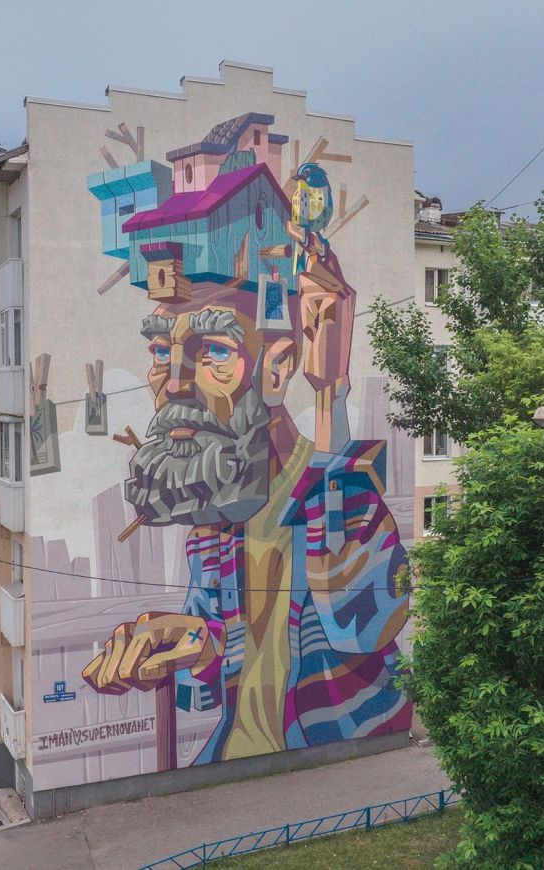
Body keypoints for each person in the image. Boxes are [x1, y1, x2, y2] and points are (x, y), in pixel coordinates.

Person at [82, 120, 411, 767]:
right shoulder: (214, 517)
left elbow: (365, 626)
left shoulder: (343, 496)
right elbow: (203, 689)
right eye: (160, 350)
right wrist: (189, 644)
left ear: (277, 366)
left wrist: (331, 394)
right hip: (231, 761)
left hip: (335, 770)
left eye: (212, 352)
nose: (172, 383)